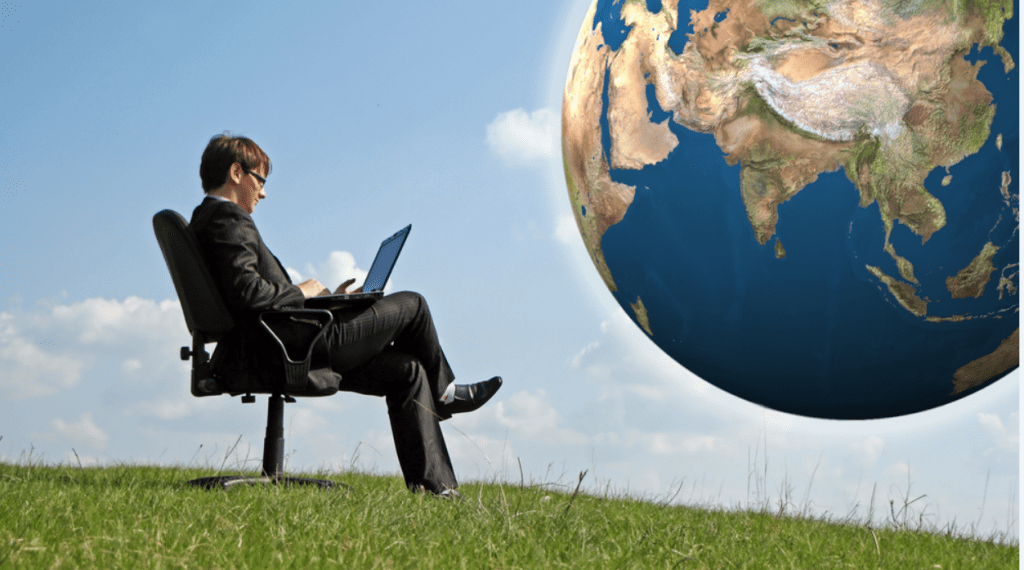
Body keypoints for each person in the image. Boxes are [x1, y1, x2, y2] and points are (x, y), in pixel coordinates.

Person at [189, 132, 502, 495]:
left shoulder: (209, 219)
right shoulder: (227, 219)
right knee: (414, 304)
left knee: (408, 371)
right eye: (260, 181)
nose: (262, 192)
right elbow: (249, 295)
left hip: (283, 342)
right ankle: (446, 392)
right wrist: (303, 291)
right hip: (288, 348)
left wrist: (327, 301)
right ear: (236, 173)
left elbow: (247, 299)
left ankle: (438, 490)